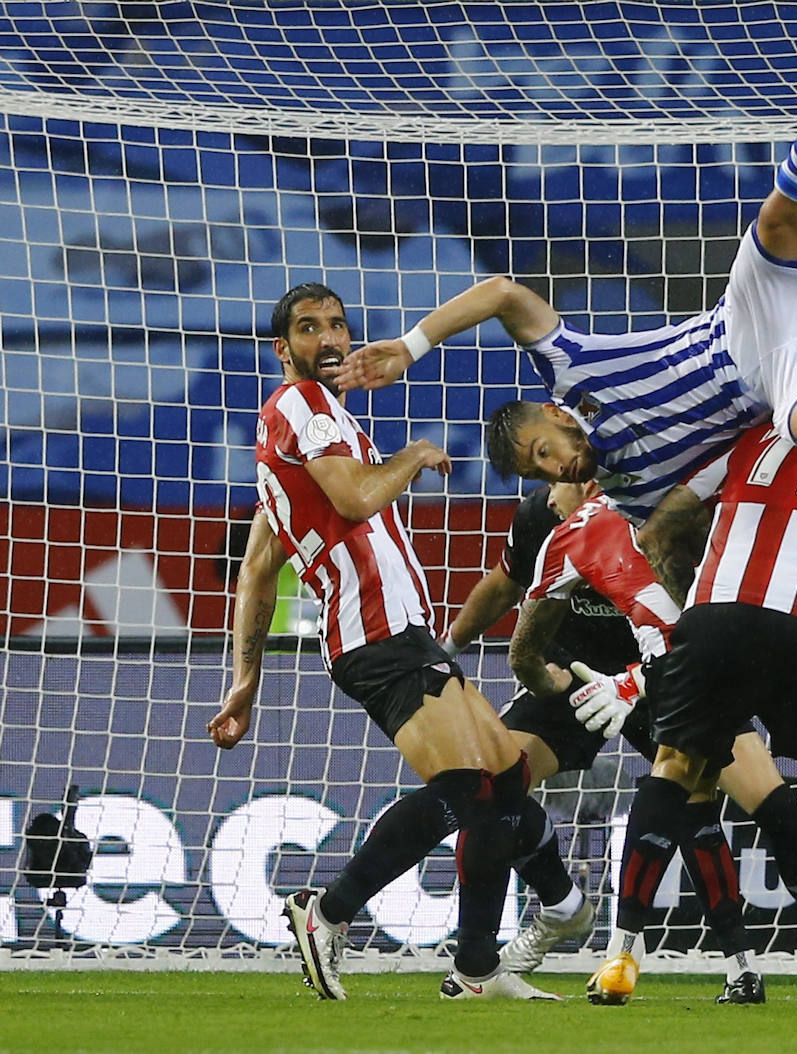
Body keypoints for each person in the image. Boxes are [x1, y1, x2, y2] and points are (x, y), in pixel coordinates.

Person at [334, 34, 797, 529]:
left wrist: (413, 345)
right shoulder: (633, 495)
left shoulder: (572, 373)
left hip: (742, 322)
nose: (557, 472)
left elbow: (503, 294)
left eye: (544, 453)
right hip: (782, 382)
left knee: (779, 218)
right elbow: (673, 537)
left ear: (556, 413)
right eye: (541, 476)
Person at [208, 282, 566, 1003]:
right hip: (374, 634)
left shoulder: (305, 434)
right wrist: (414, 456)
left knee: (502, 785)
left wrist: (244, 680)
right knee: (471, 790)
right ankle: (329, 913)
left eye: (338, 324)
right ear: (284, 349)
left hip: (397, 634)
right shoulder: (300, 409)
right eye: (309, 328)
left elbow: (255, 569)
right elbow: (357, 499)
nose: (329, 338)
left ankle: (478, 965)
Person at [446, 480, 797, 1002]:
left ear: (596, 478)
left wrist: (635, 681)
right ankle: (532, 926)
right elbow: (507, 587)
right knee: (488, 785)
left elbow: (698, 621)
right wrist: (451, 644)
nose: (551, 495)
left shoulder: (672, 523)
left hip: (667, 674)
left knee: (762, 800)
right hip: (573, 678)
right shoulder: (541, 521)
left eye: (561, 481)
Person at [584, 421, 797, 1012]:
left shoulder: (754, 435)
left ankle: (621, 953)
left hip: (715, 616)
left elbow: (660, 527)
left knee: (674, 767)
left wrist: (700, 602)